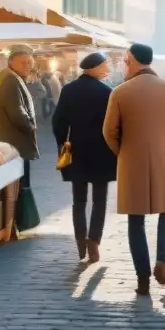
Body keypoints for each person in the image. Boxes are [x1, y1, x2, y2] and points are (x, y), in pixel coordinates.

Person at [104, 43, 165, 295]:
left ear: (129, 60)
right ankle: (163, 261)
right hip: (164, 157)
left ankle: (142, 277)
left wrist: (124, 151)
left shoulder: (120, 92)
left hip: (132, 159)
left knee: (136, 218)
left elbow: (109, 132)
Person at [52, 52, 117, 262]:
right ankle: (94, 241)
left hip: (77, 150)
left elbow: (58, 122)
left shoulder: (68, 90)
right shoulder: (107, 92)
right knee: (100, 200)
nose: (108, 69)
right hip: (102, 152)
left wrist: (63, 144)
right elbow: (114, 124)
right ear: (95, 67)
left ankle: (80, 242)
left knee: (78, 201)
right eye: (105, 65)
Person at [0, 46, 38, 186]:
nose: (27, 66)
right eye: (23, 62)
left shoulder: (8, 76)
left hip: (9, 139)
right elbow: (17, 112)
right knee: (20, 185)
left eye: (29, 62)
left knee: (16, 183)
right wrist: (31, 126)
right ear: (11, 62)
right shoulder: (11, 81)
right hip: (15, 141)